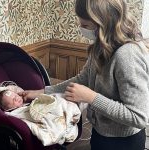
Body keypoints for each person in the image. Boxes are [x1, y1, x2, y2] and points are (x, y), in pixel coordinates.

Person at [19, 0, 149, 150]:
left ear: (104, 23)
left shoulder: (127, 56)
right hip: (101, 133)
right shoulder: (101, 46)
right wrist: (40, 92)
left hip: (124, 142)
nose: (81, 29)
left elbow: (138, 117)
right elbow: (82, 80)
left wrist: (91, 97)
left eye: (85, 26)